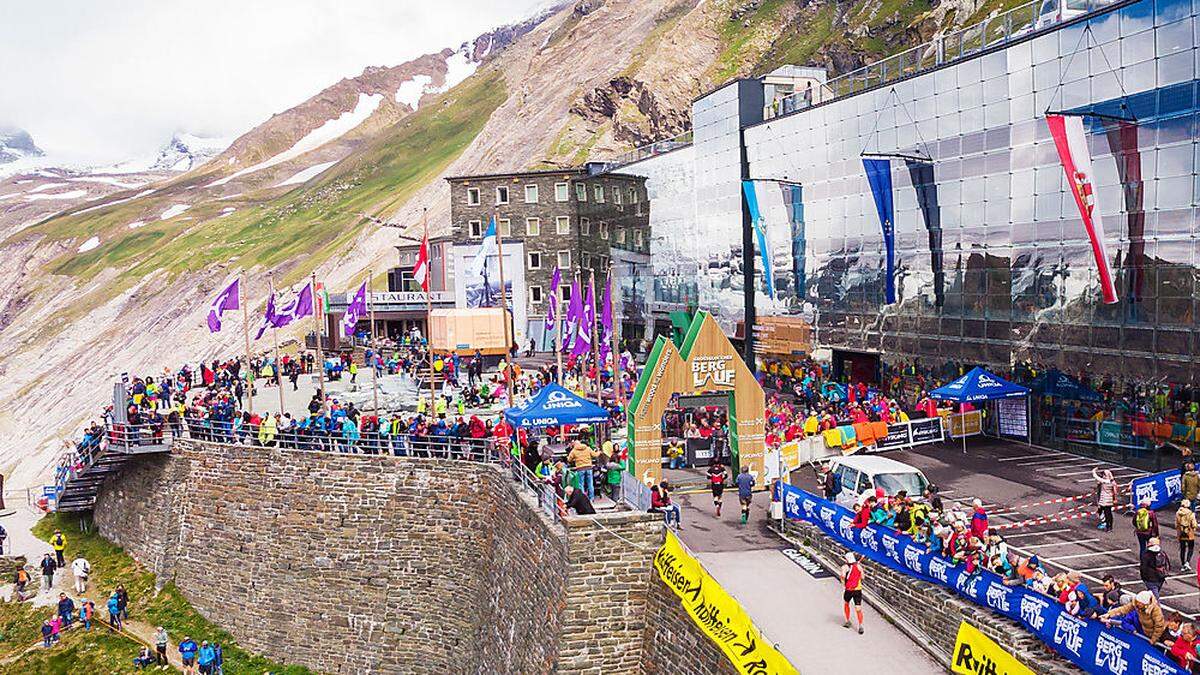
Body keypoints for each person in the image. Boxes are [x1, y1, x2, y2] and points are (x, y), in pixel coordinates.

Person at [1102, 590, 1167, 644]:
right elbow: (1123, 609)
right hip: (1144, 631)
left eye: (1140, 603)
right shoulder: (1136, 603)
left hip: (1154, 634)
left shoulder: (1155, 610)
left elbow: (1159, 626)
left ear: (1145, 604)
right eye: (1137, 602)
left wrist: (1154, 639)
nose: (1137, 604)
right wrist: (1109, 614)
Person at [840, 551, 866, 635]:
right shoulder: (859, 566)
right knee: (858, 608)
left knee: (846, 603)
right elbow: (863, 577)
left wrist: (844, 584)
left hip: (848, 590)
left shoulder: (844, 567)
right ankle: (860, 625)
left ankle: (847, 621)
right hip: (857, 589)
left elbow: (842, 576)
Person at [1178, 500, 1197, 572]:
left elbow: (1176, 524)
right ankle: (1187, 562)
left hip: (1181, 533)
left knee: (1182, 549)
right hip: (1189, 533)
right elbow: (1194, 524)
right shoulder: (1191, 514)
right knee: (1190, 548)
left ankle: (1182, 564)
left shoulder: (1178, 513)